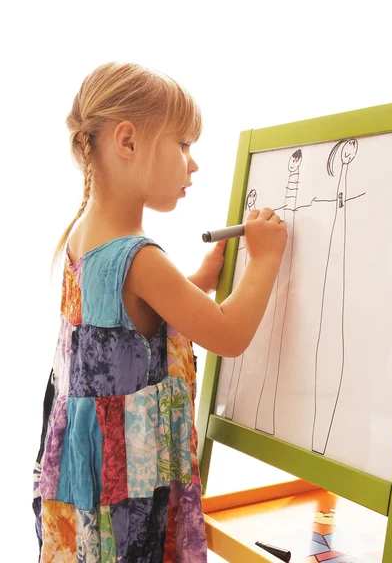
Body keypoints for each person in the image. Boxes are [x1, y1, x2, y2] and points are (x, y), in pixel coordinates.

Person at [32, 61, 288, 563]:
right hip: (126, 497)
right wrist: (266, 257)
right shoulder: (141, 258)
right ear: (127, 142)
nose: (193, 164)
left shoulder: (85, 237)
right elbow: (229, 334)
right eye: (185, 144)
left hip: (84, 489)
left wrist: (199, 282)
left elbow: (125, 334)